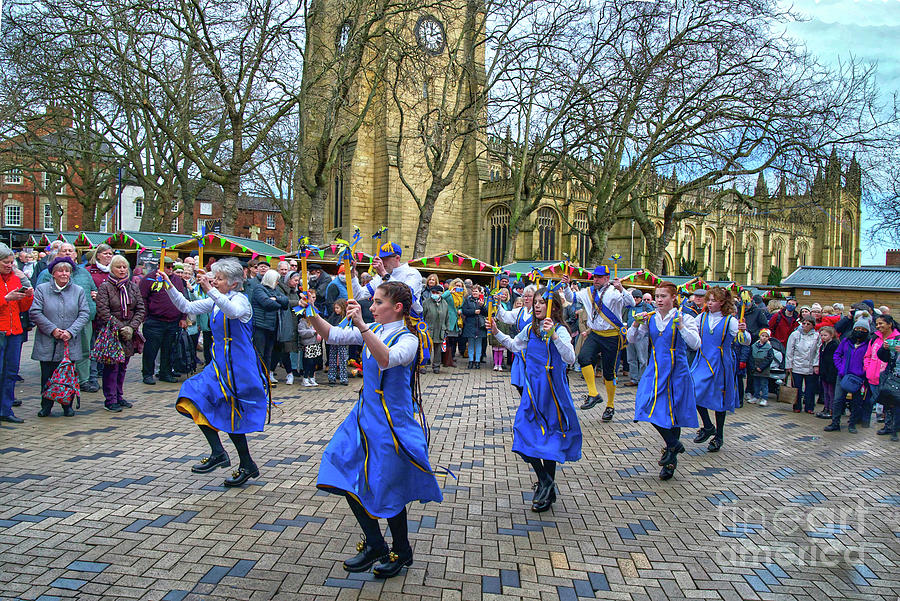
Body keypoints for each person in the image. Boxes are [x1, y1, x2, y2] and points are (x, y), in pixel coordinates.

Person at [302, 281, 443, 578]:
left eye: (378, 302)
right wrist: (310, 310)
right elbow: (331, 334)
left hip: (392, 423)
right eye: (373, 301)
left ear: (398, 308)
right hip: (364, 416)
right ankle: (376, 542)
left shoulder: (409, 339)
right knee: (340, 468)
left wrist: (363, 326)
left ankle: (401, 550)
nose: (373, 306)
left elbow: (386, 359)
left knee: (387, 485)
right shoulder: (375, 330)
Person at [159, 258, 270, 487]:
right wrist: (169, 285)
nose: (215, 281)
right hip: (219, 365)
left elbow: (232, 312)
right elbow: (186, 307)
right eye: (215, 277)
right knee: (193, 395)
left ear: (234, 283)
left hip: (238, 367)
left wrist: (209, 289)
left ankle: (244, 463)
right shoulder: (216, 301)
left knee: (231, 415)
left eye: (220, 278)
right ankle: (220, 452)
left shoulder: (240, 300)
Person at [489, 286, 581, 511]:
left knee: (550, 440)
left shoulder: (559, 330)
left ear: (553, 307)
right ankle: (546, 481)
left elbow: (570, 358)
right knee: (521, 434)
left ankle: (546, 492)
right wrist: (495, 332)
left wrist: (555, 336)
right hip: (533, 392)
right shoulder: (530, 330)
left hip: (554, 393)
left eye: (542, 302)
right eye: (536, 302)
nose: (537, 305)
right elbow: (513, 345)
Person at [628, 282, 700, 480]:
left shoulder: (684, 317)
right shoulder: (650, 318)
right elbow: (632, 339)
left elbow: (695, 344)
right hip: (655, 369)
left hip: (677, 370)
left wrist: (682, 327)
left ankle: (670, 462)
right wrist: (635, 324)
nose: (659, 300)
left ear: (673, 298)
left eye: (663, 296)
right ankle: (673, 444)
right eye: (657, 296)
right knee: (644, 404)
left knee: (673, 414)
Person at [561, 266, 636, 420]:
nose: (596, 279)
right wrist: (567, 286)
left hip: (612, 336)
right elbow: (571, 298)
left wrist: (621, 288)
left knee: (609, 372)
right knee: (583, 358)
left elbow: (631, 303)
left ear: (607, 278)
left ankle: (610, 405)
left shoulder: (615, 293)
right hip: (595, 334)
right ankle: (593, 394)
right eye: (595, 277)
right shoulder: (588, 292)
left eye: (600, 277)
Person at [29, 257, 91, 418]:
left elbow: (84, 313)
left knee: (68, 375)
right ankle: (46, 406)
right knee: (47, 375)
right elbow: (35, 312)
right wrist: (53, 330)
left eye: (67, 271)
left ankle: (67, 405)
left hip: (70, 341)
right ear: (53, 274)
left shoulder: (78, 290)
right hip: (48, 340)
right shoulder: (42, 289)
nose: (64, 273)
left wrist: (70, 331)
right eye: (60, 271)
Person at [690, 287, 749, 452]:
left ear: (722, 302)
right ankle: (708, 426)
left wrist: (743, 331)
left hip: (722, 362)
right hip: (703, 360)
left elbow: (744, 341)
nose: (709, 303)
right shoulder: (701, 317)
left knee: (719, 399)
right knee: (692, 389)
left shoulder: (730, 320)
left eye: (713, 300)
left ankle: (719, 436)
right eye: (708, 300)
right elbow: (690, 333)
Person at [36, 243, 99, 392]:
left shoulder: (84, 272)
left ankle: (83, 380)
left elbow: (93, 290)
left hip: (83, 320)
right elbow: (39, 301)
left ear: (75, 254)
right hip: (55, 322)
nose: (67, 253)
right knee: (55, 355)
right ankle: (53, 388)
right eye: (64, 251)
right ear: (58, 254)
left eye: (70, 251)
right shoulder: (47, 273)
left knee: (83, 351)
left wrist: (95, 296)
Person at [95, 255, 146, 412]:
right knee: (112, 368)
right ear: (112, 269)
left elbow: (140, 309)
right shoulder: (105, 287)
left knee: (123, 367)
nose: (122, 270)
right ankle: (110, 399)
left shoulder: (132, 287)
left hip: (129, 333)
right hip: (112, 333)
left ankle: (119, 395)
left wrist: (131, 327)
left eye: (124, 267)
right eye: (118, 267)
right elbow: (103, 310)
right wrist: (120, 327)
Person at [139, 256, 187, 384]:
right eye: (167, 266)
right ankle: (147, 374)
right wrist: (145, 317)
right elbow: (142, 299)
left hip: (173, 321)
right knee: (151, 349)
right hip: (154, 321)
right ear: (160, 266)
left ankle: (165, 372)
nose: (171, 269)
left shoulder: (177, 280)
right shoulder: (149, 279)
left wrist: (183, 317)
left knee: (168, 349)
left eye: (172, 266)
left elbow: (183, 299)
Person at [0, 243, 34, 424]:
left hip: (14, 332)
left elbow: (22, 308)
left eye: (12, 262)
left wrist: (27, 296)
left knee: (11, 372)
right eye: (6, 262)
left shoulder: (15, 279)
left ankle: (6, 409)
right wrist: (6, 299)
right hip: (1, 331)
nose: (10, 265)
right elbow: (6, 302)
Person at [824, 312, 872, 434]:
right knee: (838, 400)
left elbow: (870, 359)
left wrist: (863, 372)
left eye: (863, 329)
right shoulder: (846, 341)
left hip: (858, 377)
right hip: (843, 375)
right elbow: (837, 355)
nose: (859, 331)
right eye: (857, 328)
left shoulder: (868, 344)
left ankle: (852, 424)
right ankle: (835, 423)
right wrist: (841, 369)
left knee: (856, 402)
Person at [351, 241, 424, 314]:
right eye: (379, 258)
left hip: (409, 322)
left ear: (397, 258)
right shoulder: (379, 278)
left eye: (384, 258)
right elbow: (358, 295)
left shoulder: (412, 273)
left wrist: (384, 274)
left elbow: (405, 296)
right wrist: (352, 273)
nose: (381, 262)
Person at [251, 269, 289, 385]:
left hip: (272, 327)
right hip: (260, 326)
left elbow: (286, 301)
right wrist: (279, 303)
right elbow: (267, 304)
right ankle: (258, 379)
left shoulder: (275, 291)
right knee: (260, 354)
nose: (278, 283)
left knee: (268, 354)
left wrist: (276, 299)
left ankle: (265, 378)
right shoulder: (259, 289)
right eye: (277, 280)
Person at [865, 314, 899, 432]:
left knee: (893, 403)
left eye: (881, 323)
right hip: (875, 376)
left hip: (894, 377)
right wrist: (867, 368)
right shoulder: (875, 337)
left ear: (889, 324)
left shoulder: (898, 338)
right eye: (877, 324)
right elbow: (873, 356)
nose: (878, 326)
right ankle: (888, 425)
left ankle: (893, 426)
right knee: (885, 402)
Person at [785, 316, 821, 414]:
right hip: (797, 364)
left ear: (813, 326)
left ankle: (809, 406)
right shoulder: (795, 334)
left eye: (808, 324)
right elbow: (789, 350)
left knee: (810, 388)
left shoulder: (817, 336)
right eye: (803, 323)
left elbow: (818, 352)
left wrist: (816, 365)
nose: (805, 326)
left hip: (810, 365)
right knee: (797, 387)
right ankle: (796, 406)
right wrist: (789, 365)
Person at [275, 271, 301, 385]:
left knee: (290, 348)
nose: (297, 283)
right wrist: (298, 303)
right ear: (288, 280)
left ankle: (292, 370)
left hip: (294, 321)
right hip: (284, 322)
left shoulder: (295, 292)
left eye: (298, 280)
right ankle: (288, 371)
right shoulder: (281, 289)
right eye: (295, 280)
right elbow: (284, 302)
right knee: (282, 349)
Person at [624, 290, 653, 387]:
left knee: (642, 359)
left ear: (641, 298)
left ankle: (642, 379)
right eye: (634, 297)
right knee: (631, 358)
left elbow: (651, 318)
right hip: (630, 334)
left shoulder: (646, 307)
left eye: (637, 297)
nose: (635, 299)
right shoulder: (629, 306)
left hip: (642, 336)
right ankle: (633, 379)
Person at [875, 337, 900, 441]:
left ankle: (895, 429)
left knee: (898, 406)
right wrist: (884, 349)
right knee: (889, 403)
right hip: (891, 377)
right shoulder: (897, 339)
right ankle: (888, 426)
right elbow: (884, 358)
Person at [421, 286, 451, 374]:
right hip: (428, 330)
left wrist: (447, 329)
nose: (435, 294)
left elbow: (447, 317)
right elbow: (422, 316)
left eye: (437, 293)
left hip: (440, 330)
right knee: (426, 349)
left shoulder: (444, 303)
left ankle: (436, 366)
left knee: (438, 350)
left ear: (441, 293)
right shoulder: (426, 303)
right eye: (433, 292)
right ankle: (424, 365)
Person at [298, 290, 323, 386]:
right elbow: (301, 333)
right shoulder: (303, 322)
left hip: (315, 344)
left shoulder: (315, 322)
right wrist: (313, 332)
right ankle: (305, 378)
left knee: (314, 362)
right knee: (308, 362)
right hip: (308, 345)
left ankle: (312, 377)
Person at [461, 284, 488, 368]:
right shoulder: (467, 300)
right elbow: (464, 311)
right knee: (471, 343)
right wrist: (474, 311)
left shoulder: (483, 300)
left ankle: (477, 361)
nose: (474, 293)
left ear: (480, 292)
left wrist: (482, 306)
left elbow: (487, 312)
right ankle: (470, 360)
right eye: (473, 291)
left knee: (479, 344)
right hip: (470, 324)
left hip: (480, 325)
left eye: (476, 291)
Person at [326, 299, 350, 385]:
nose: (336, 310)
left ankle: (343, 377)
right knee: (332, 358)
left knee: (343, 359)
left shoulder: (346, 318)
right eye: (335, 308)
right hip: (334, 340)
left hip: (342, 340)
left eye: (338, 308)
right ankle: (331, 377)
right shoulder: (333, 316)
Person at [816, 326, 839, 419]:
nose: (823, 337)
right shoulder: (823, 345)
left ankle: (831, 409)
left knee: (831, 392)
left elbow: (832, 361)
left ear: (831, 335)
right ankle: (826, 408)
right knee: (825, 391)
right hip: (824, 372)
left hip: (831, 372)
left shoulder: (834, 345)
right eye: (821, 335)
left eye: (825, 335)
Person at [442, 279, 466, 367]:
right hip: (449, 320)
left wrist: (460, 310)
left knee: (453, 341)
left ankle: (451, 358)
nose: (458, 287)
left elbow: (462, 307)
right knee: (447, 341)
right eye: (457, 285)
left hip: (457, 321)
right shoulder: (450, 294)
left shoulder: (462, 297)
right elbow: (442, 297)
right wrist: (449, 291)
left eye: (460, 286)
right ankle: (445, 360)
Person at [748, 329, 775, 406]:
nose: (764, 338)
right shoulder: (753, 346)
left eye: (766, 336)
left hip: (764, 369)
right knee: (756, 383)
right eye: (762, 336)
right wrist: (753, 366)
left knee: (764, 384)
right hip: (755, 367)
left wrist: (761, 367)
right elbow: (750, 357)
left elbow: (769, 358)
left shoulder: (769, 347)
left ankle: (764, 398)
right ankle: (756, 396)